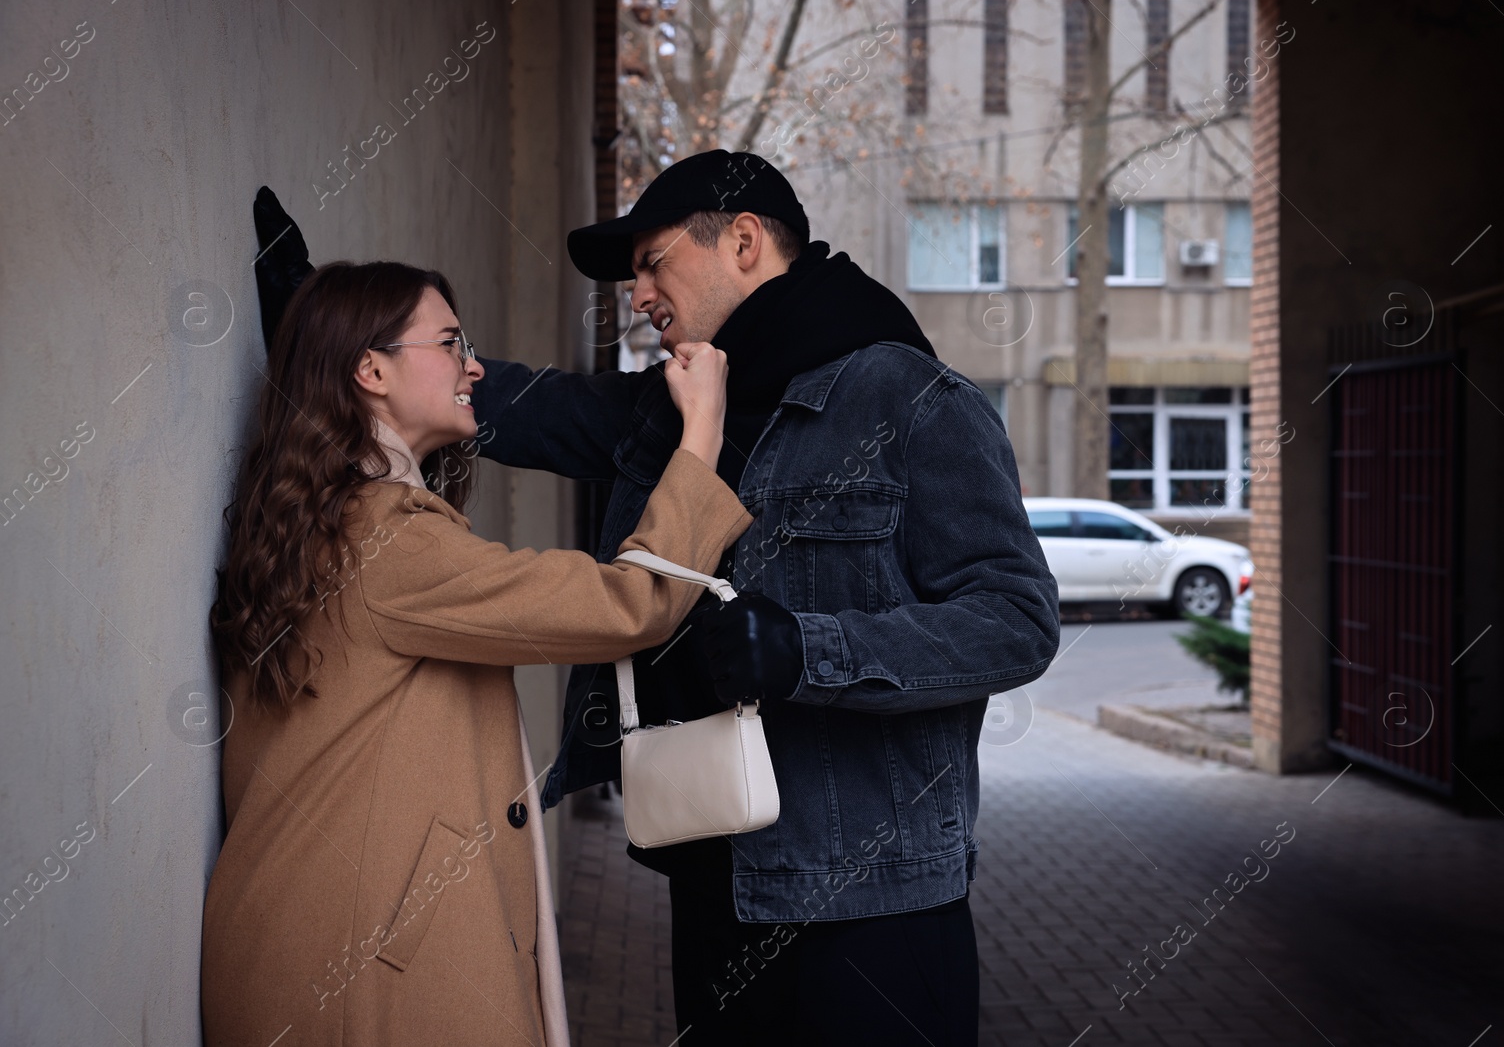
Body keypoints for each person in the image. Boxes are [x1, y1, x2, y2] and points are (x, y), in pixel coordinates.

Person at [253, 150, 1061, 1045]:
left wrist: (810, 648)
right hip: (714, 878)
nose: (638, 294)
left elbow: (1016, 620)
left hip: (871, 904)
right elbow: (531, 403)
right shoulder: (674, 406)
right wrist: (317, 340)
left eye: (651, 262)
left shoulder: (914, 403)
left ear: (744, 243)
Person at [202, 254, 751, 1047]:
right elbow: (633, 602)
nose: (475, 367)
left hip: (307, 943)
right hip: (364, 973)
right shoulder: (386, 537)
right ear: (370, 369)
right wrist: (702, 431)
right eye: (452, 345)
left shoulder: (321, 515)